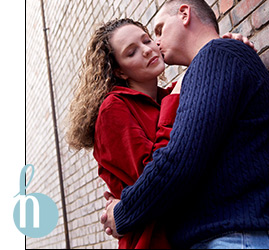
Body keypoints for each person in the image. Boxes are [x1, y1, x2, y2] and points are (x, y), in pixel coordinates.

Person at [100, 0, 269, 249]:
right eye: (132, 51)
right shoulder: (209, 64)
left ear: (184, 14)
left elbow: (179, 161)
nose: (154, 45)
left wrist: (123, 212)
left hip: (235, 237)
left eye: (155, 33)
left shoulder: (216, 56)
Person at [66, 18, 255, 249]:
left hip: (193, 232)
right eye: (132, 52)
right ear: (119, 71)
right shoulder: (112, 108)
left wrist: (225, 46)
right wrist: (172, 103)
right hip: (153, 241)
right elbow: (154, 176)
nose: (147, 50)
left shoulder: (170, 95)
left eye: (146, 40)